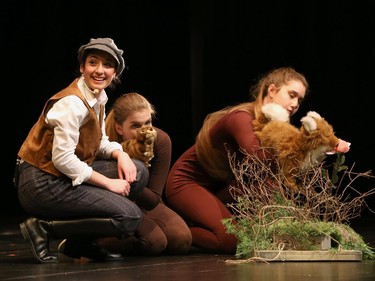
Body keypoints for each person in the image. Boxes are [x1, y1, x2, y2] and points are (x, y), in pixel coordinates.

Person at [15, 38, 149, 263]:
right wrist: (108, 183)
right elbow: (63, 159)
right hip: (41, 183)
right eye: (93, 63)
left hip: (59, 175)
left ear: (115, 72)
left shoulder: (98, 96)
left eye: (107, 65)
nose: (99, 70)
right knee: (129, 216)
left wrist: (121, 154)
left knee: (137, 172)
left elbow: (100, 141)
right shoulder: (72, 103)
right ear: (82, 67)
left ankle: (80, 244)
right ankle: (43, 228)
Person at [164, 67, 309, 254]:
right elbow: (259, 158)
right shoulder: (241, 117)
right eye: (291, 95)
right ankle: (174, 231)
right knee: (232, 241)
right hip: (186, 183)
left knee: (271, 185)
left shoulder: (273, 127)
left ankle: (200, 221)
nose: (295, 104)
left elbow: (273, 175)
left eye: (299, 100)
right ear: (272, 90)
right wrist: (303, 148)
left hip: (219, 187)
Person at [96, 92, 192, 255]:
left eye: (148, 123)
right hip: (111, 203)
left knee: (180, 240)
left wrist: (133, 180)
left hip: (143, 200)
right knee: (155, 242)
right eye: (135, 126)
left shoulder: (160, 140)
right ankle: (88, 241)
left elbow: (154, 199)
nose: (144, 131)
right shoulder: (104, 142)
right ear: (120, 128)